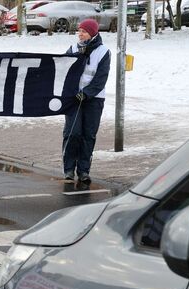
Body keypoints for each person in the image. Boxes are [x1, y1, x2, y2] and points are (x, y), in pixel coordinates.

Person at [62, 19, 110, 183]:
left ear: (93, 33)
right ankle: (68, 169)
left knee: (88, 135)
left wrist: (86, 93)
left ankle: (84, 171)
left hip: (94, 100)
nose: (80, 34)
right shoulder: (73, 49)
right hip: (74, 99)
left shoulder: (103, 52)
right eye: (79, 31)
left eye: (83, 31)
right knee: (72, 133)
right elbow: (63, 70)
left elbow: (100, 79)